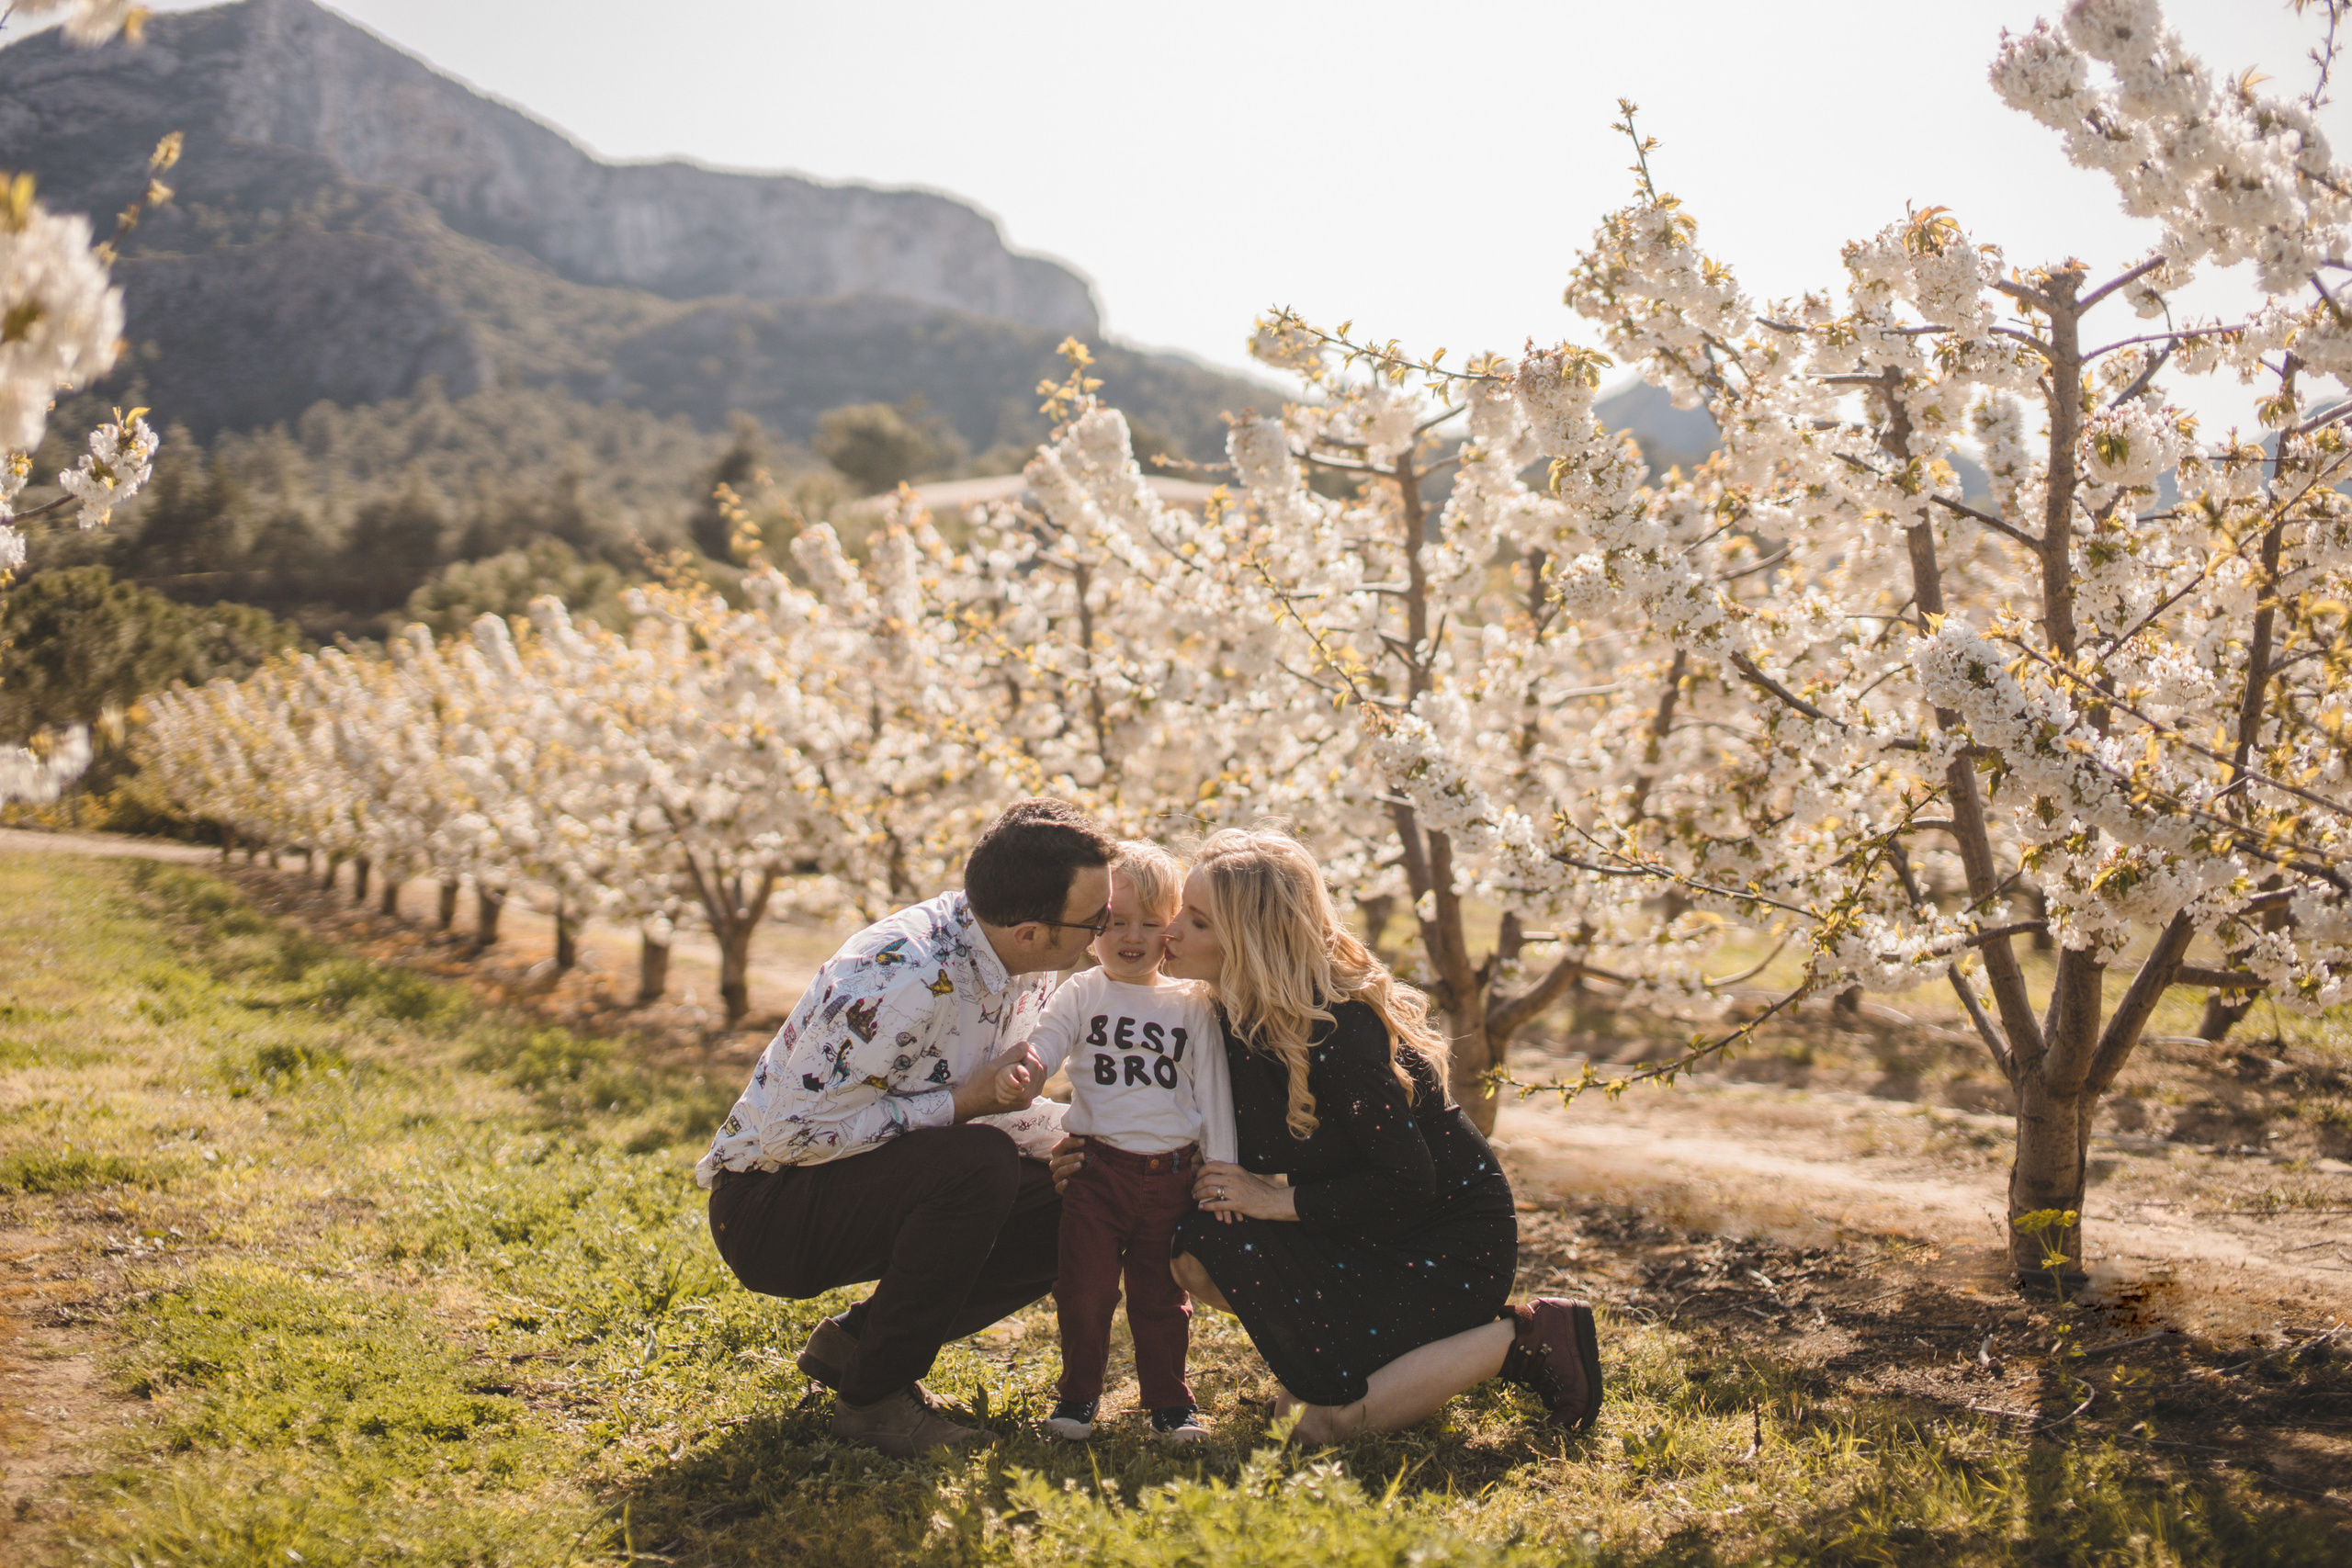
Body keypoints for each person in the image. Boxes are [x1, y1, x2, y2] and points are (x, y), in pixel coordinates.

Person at [696, 798, 1115, 1458]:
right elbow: (790, 1137)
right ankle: (874, 1404)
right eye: (1097, 920)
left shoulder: (1018, 960)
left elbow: (985, 1104)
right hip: (768, 1207)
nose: (1103, 934)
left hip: (861, 1178)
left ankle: (859, 1347)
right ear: (1033, 931)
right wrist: (961, 1104)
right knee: (978, 1163)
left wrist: (1098, 1140)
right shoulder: (904, 977)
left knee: (1081, 1187)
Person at [1160, 829, 1604, 1444]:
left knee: (1323, 1424)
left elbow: (1408, 1180)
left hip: (1443, 1248)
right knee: (1196, 1245)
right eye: (1181, 909)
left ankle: (1523, 1338)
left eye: (1199, 921)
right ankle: (1367, 1360)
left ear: (1252, 942)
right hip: (1358, 1229)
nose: (1172, 929)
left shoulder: (1337, 1032)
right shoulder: (1225, 1012)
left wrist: (1273, 1200)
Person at [1016, 841, 1233, 1444]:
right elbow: (1049, 1039)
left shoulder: (1191, 1004)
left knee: (1159, 1298)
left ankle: (1169, 1402)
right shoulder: (1084, 992)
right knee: (1084, 1290)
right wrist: (1029, 1068)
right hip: (1097, 1170)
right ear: (1092, 930)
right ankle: (1078, 1395)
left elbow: (1212, 1086)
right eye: (1115, 922)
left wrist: (1221, 1164)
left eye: (1150, 922)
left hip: (1171, 1176)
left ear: (1173, 928)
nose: (1131, 936)